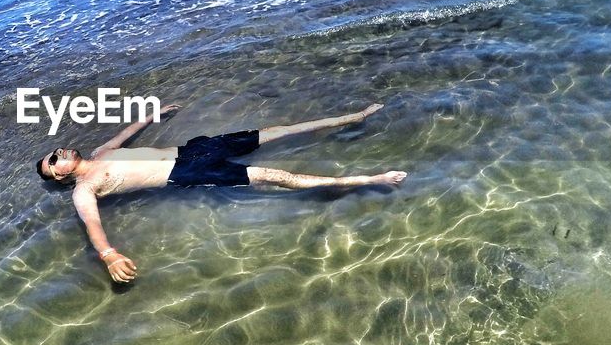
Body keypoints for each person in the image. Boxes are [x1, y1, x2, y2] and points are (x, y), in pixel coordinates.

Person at [36, 104, 407, 282]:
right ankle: (368, 179)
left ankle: (347, 118)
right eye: (54, 160)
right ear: (60, 177)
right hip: (188, 171)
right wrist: (109, 256)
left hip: (193, 150)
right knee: (275, 175)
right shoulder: (84, 189)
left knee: (276, 129)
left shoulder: (100, 153)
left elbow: (125, 134)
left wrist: (153, 114)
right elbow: (92, 224)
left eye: (56, 150)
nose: (60, 152)